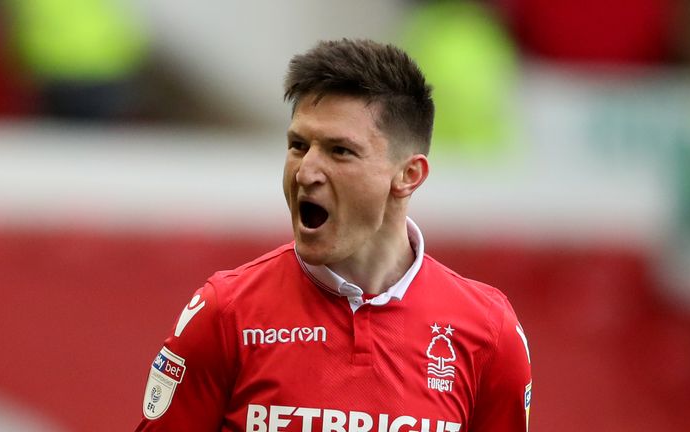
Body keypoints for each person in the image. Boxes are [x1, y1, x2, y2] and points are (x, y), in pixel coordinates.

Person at [136, 38, 532, 432]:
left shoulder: (488, 332)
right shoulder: (225, 313)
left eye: (340, 151)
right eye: (298, 145)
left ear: (409, 175)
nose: (306, 172)